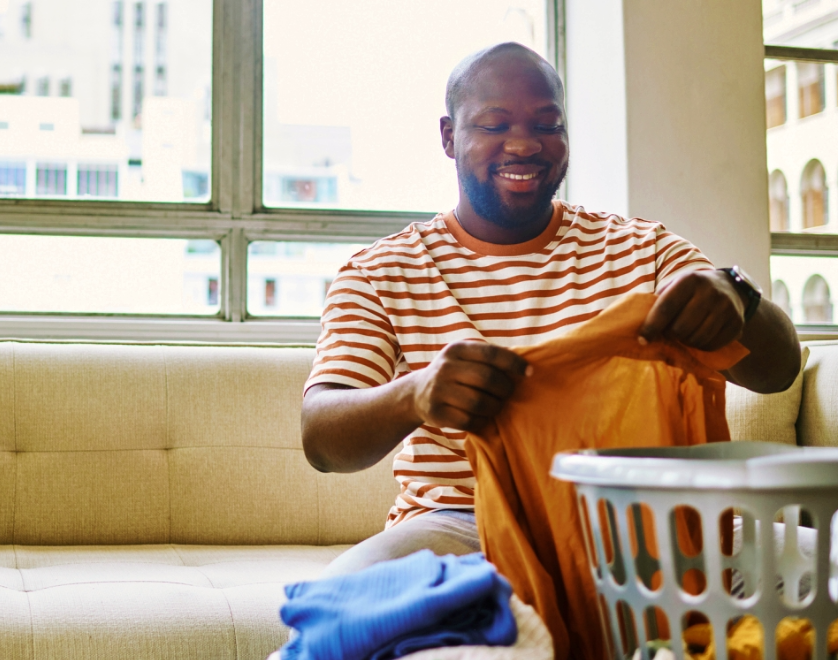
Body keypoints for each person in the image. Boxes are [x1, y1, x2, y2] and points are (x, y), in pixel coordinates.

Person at [302, 42, 801, 579]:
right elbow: (322, 441)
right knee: (342, 602)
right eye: (494, 125)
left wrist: (736, 296)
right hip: (459, 524)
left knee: (821, 569)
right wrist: (414, 394)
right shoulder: (382, 270)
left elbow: (779, 371)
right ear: (449, 137)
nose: (523, 144)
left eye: (548, 124)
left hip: (646, 518)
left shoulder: (643, 250)